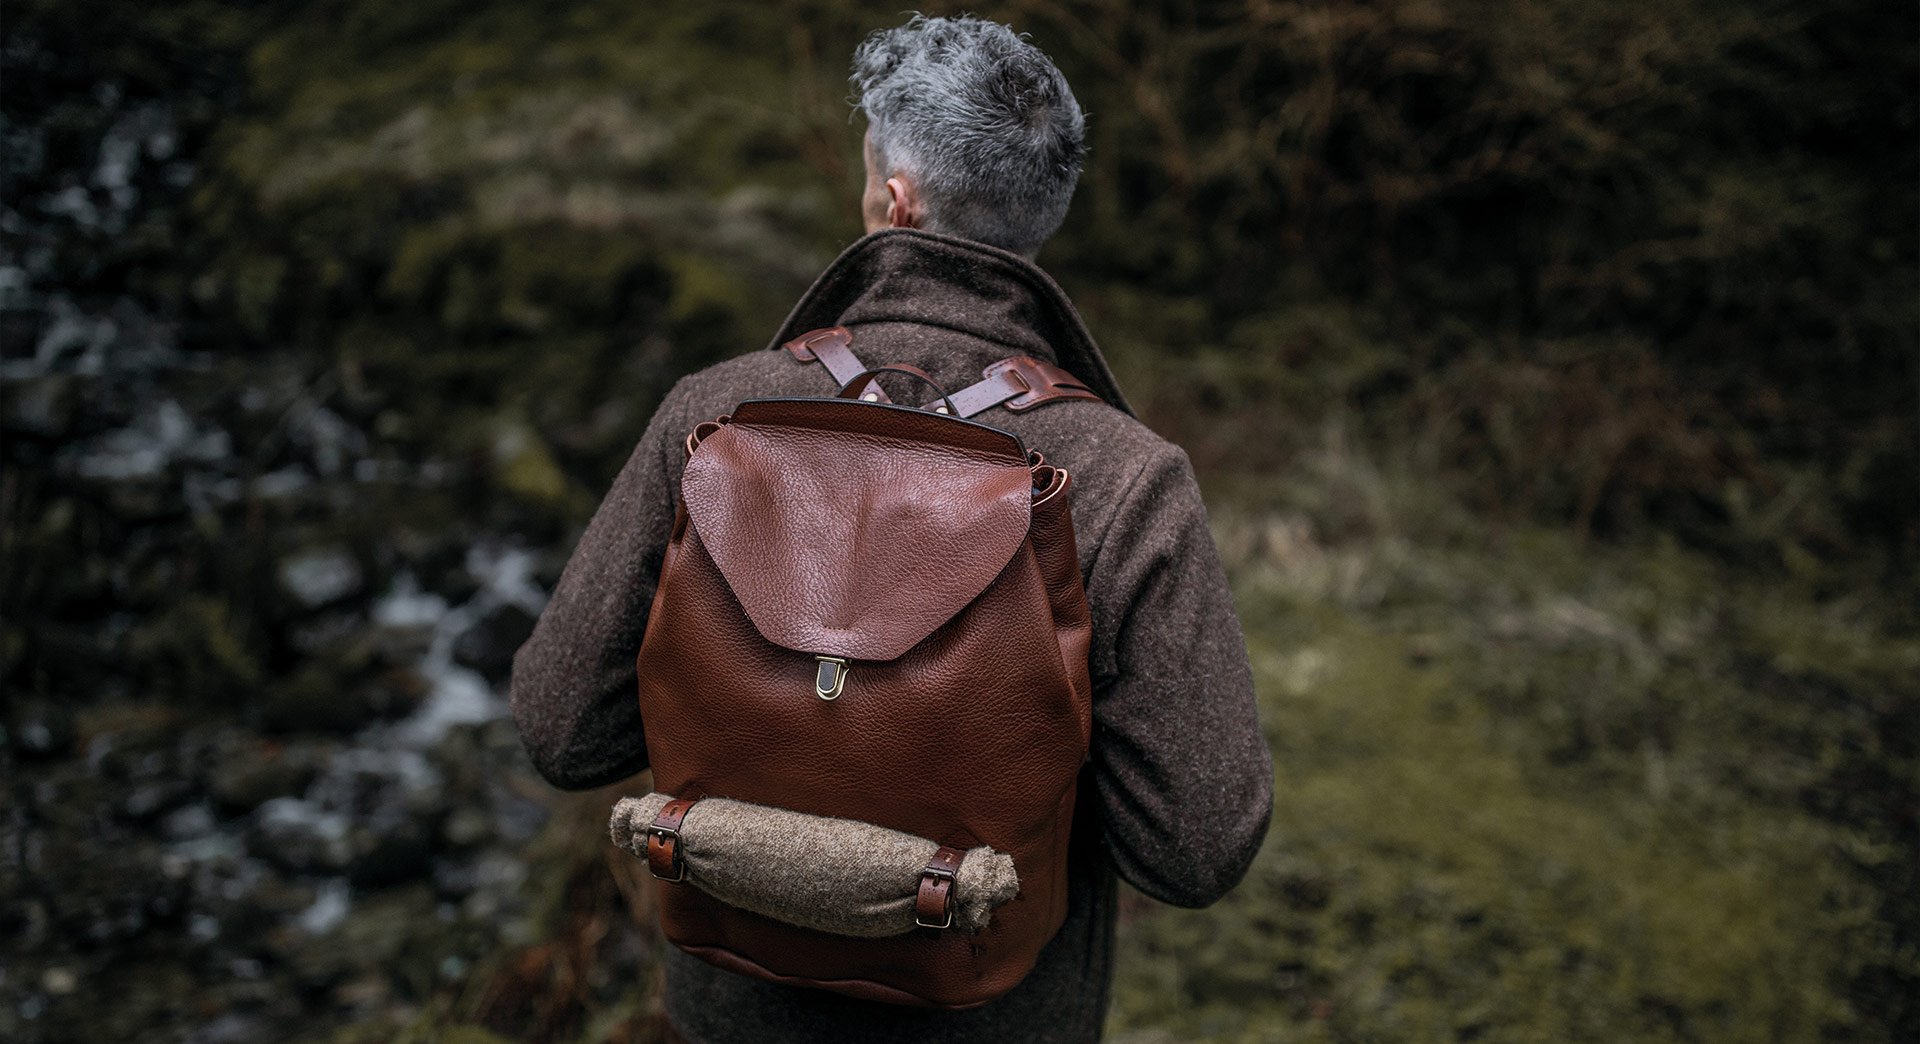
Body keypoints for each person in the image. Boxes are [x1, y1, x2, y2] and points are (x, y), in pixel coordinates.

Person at [509, 15, 1273, 1043]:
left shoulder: (716, 412)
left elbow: (563, 730)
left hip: (736, 1010)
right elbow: (1196, 848)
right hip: (1003, 1013)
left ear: (897, 200)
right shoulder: (1130, 480)